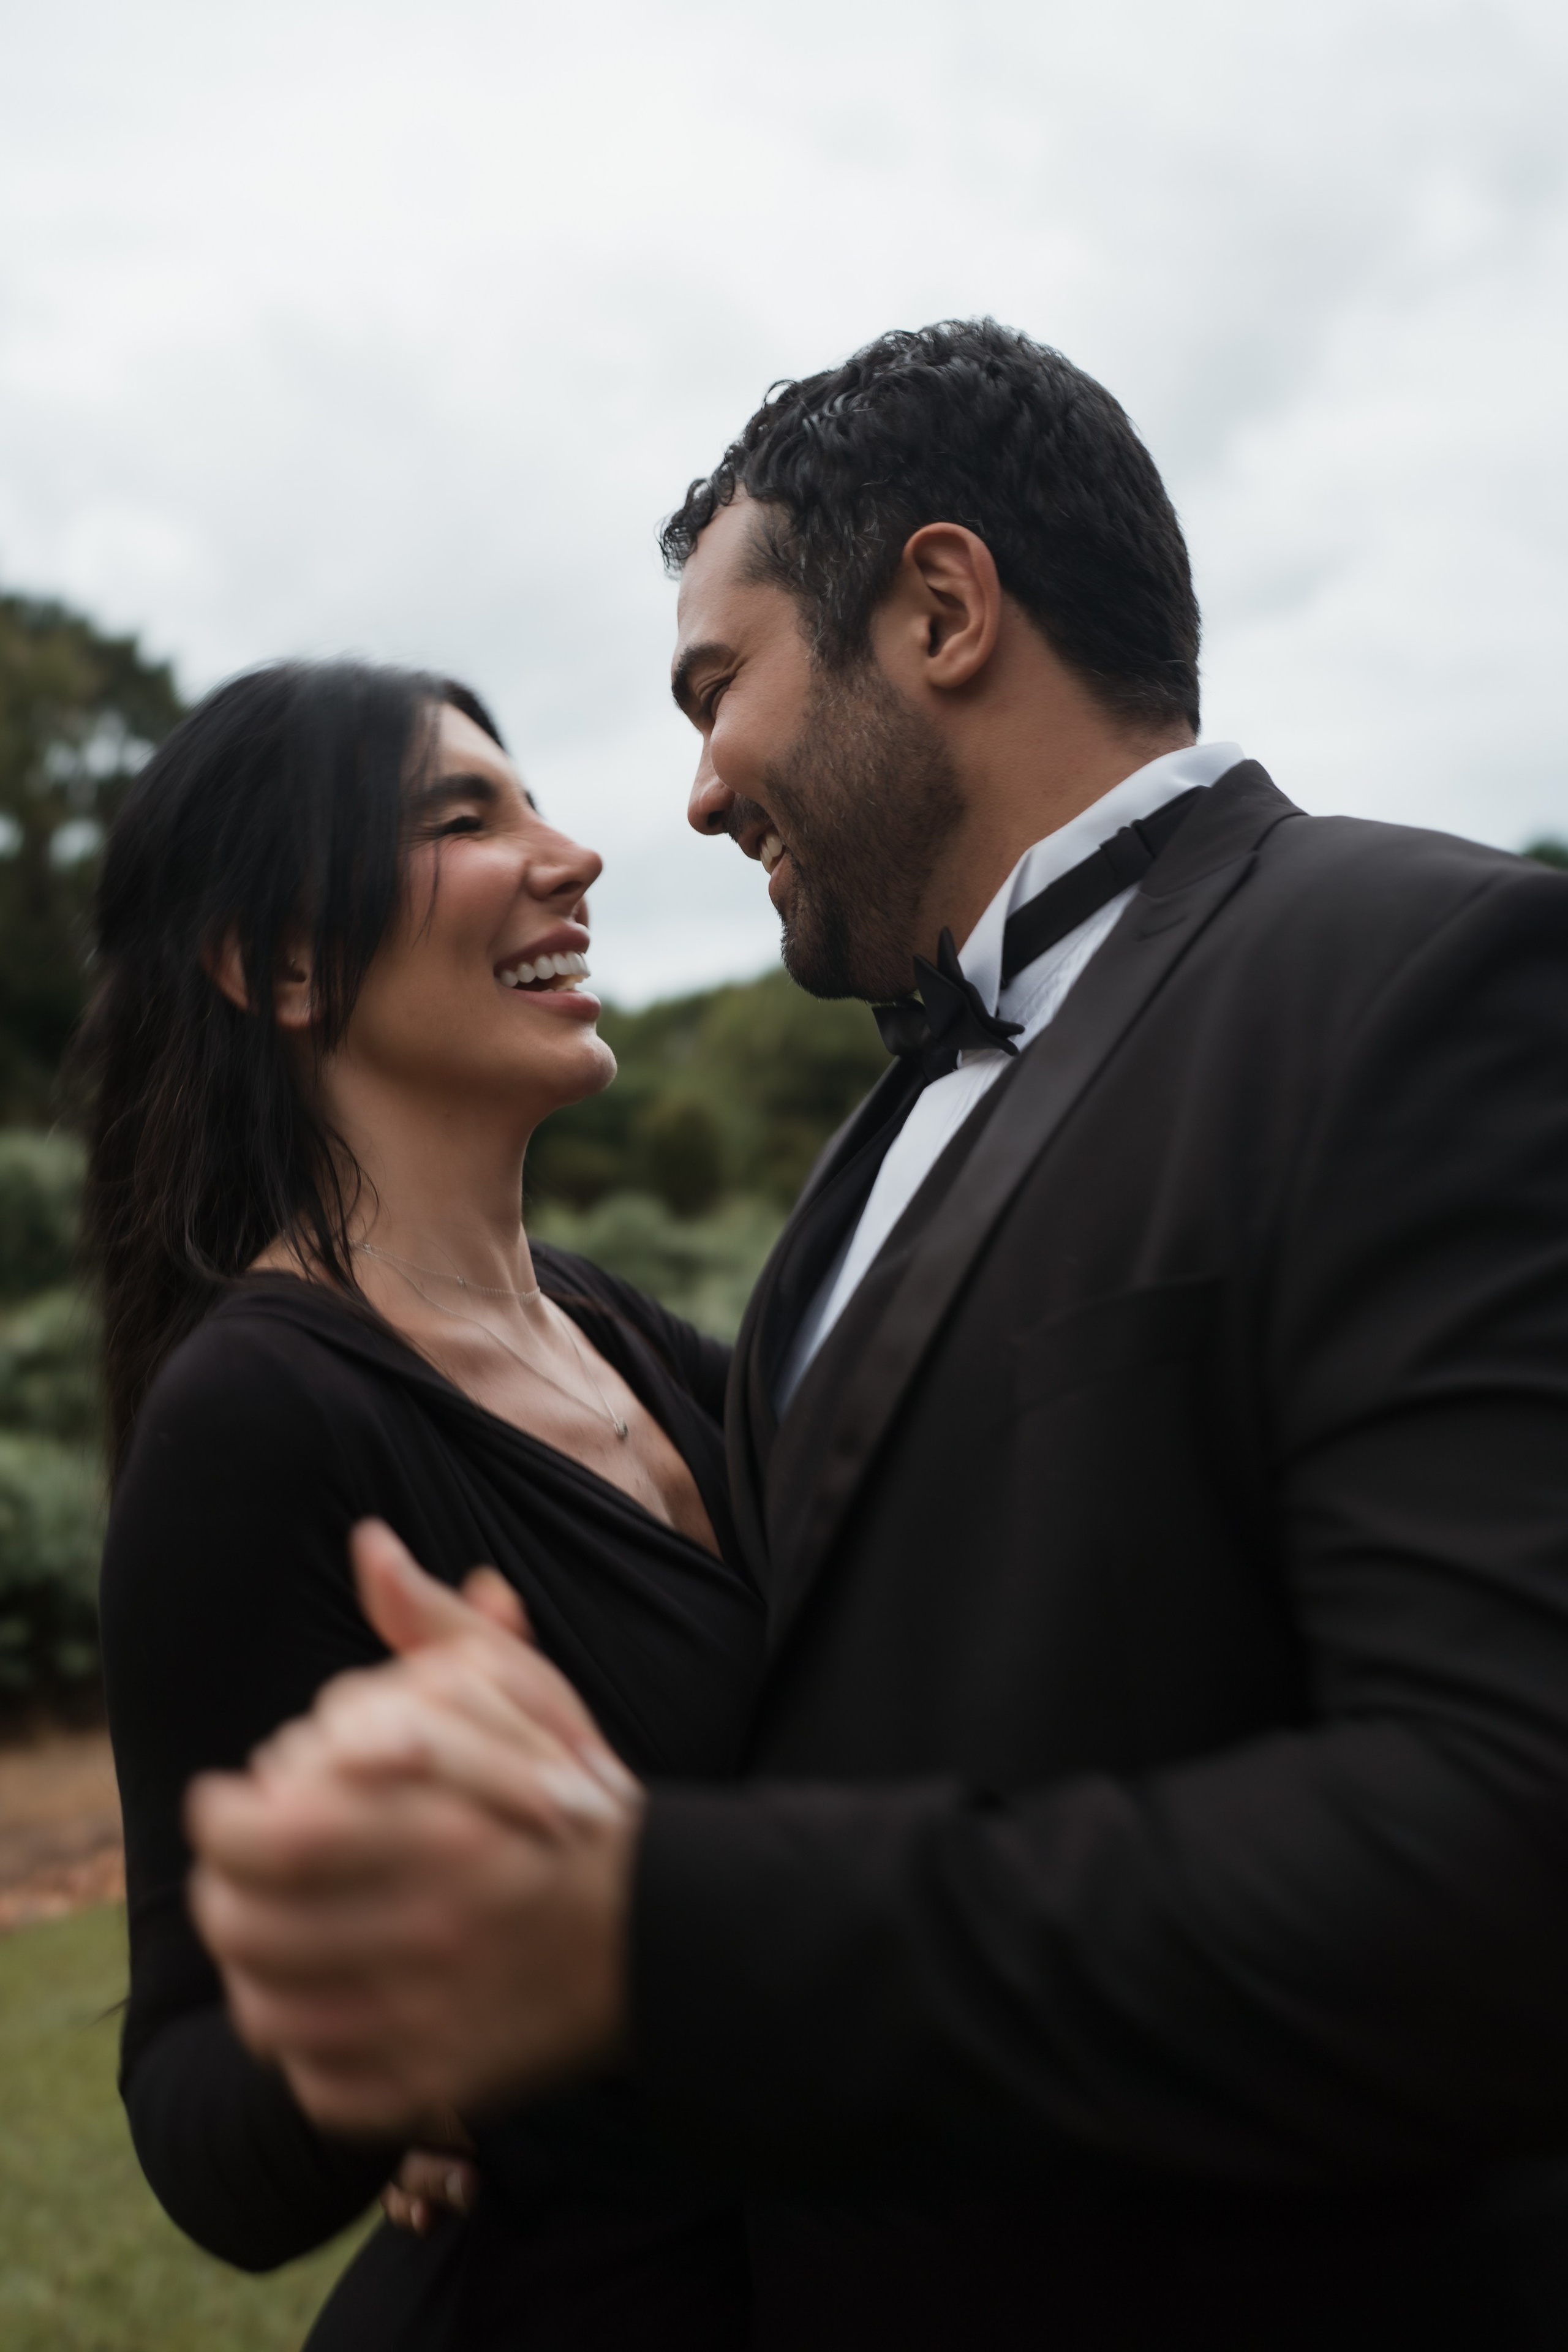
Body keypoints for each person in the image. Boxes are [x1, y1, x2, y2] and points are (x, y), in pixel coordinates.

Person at [187, 324, 1568, 2350]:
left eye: (715, 687)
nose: (692, 790)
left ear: (939, 608)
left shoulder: (1424, 977)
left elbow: (1505, 1858)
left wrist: (646, 1935)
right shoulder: (857, 1169)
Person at [83, 662, 764, 2349]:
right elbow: (193, 2109)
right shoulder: (260, 1415)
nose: (573, 855)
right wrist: (406, 2015)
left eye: (533, 799)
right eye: (466, 818)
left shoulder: (621, 1331)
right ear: (282, 964)